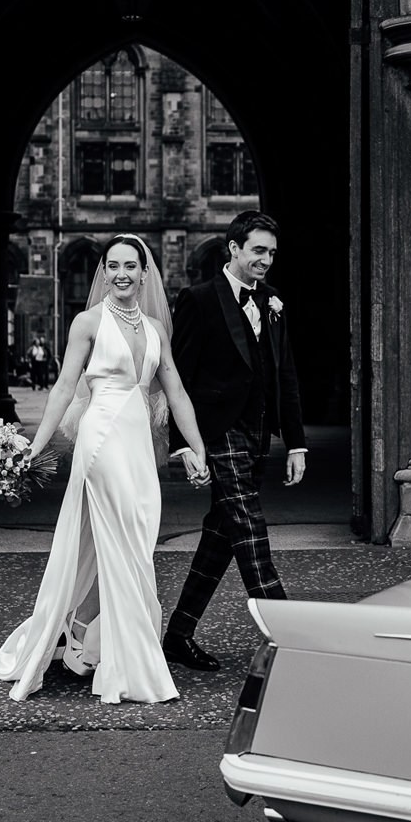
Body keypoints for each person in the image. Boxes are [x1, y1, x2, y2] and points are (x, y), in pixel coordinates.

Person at [0, 234, 209, 704]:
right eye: (112, 266)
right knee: (123, 541)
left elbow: (174, 389)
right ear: (103, 272)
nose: (121, 275)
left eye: (130, 266)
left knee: (137, 536)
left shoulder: (156, 327)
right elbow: (63, 388)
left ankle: (81, 630)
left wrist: (197, 447)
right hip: (101, 442)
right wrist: (34, 445)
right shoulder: (87, 322)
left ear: (144, 272)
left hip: (137, 445)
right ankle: (128, 662)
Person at [162, 210, 307, 672]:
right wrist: (183, 444)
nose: (266, 260)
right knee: (248, 527)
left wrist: (297, 443)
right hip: (219, 432)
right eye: (258, 251)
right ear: (234, 249)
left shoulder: (274, 300)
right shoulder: (199, 300)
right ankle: (290, 636)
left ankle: (178, 635)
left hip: (259, 434)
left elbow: (284, 373)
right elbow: (177, 377)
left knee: (220, 537)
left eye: (272, 253)